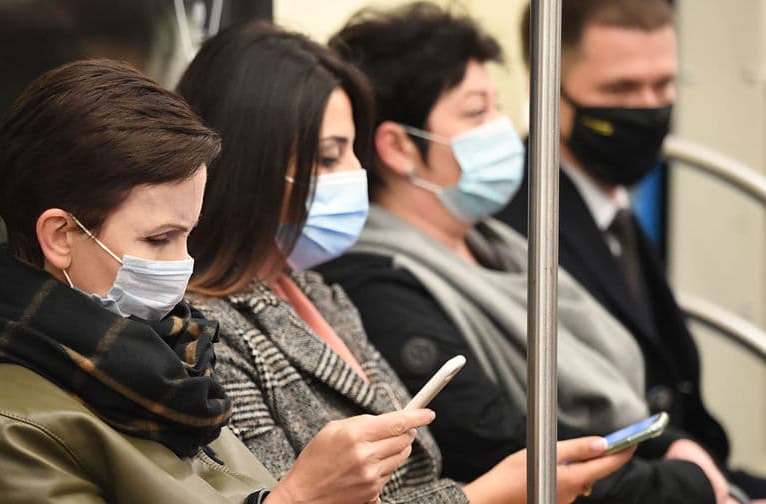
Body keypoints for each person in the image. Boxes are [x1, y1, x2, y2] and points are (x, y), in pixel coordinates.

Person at [179, 20, 632, 504]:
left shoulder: (317, 292)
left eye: (352, 151)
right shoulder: (203, 334)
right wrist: (491, 493)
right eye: (330, 157)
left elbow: (416, 476)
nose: (356, 172)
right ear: (252, 168)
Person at [0, 58, 445, 504]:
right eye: (159, 239)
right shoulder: (3, 427)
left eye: (188, 235)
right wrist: (300, 498)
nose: (182, 263)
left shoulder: (166, 361)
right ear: (60, 236)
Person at [318, 3, 728, 502]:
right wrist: (689, 482)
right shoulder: (374, 283)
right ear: (400, 147)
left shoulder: (499, 243)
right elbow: (497, 444)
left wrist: (670, 443)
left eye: (498, 107)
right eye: (476, 113)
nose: (501, 129)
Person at [496, 1, 766, 500]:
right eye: (620, 90)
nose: (646, 107)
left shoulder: (614, 212)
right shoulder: (514, 224)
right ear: (548, 88)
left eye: (663, 86)